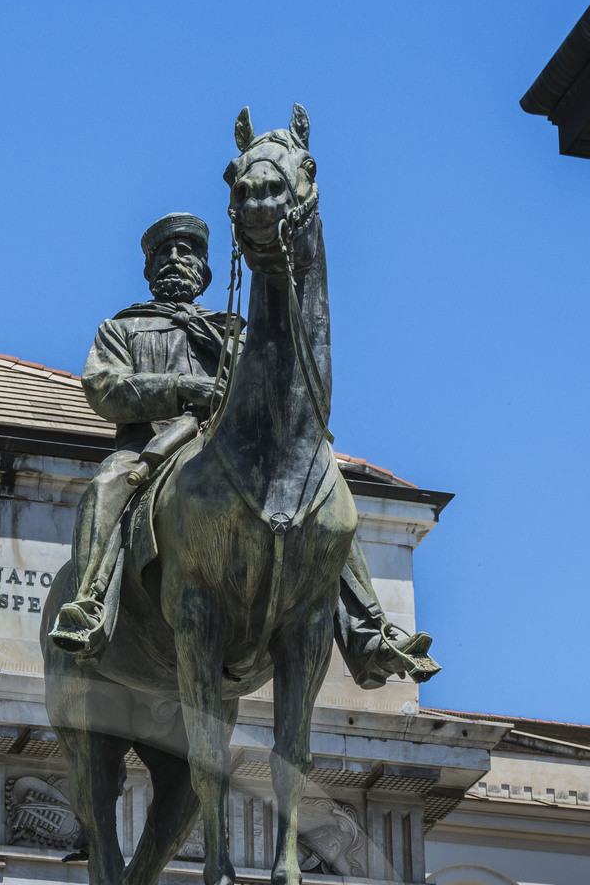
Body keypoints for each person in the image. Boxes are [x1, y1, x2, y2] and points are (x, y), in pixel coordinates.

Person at [48, 211, 435, 685]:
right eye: (162, 253)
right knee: (106, 484)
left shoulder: (236, 332)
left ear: (205, 270)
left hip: (234, 450)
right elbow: (104, 388)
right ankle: (88, 606)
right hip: (154, 446)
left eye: (186, 251)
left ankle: (368, 631)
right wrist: (184, 388)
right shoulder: (123, 328)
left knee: (322, 501)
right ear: (148, 271)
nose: (174, 259)